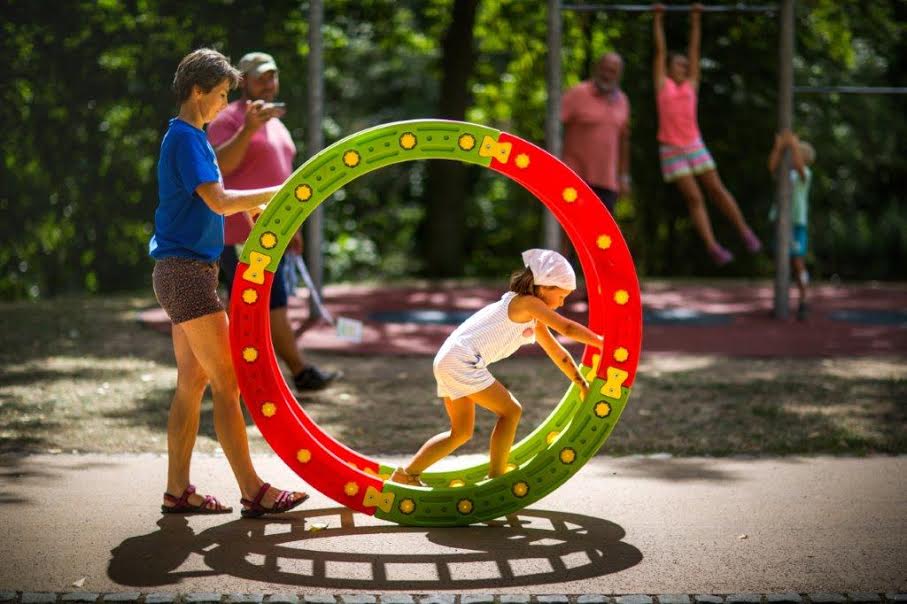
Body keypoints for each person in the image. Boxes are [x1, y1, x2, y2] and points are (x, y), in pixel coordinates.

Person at [149, 48, 308, 517]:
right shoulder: (184, 138)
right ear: (198, 91)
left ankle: (177, 491)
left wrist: (253, 206)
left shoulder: (191, 136)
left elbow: (212, 204)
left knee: (192, 383)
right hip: (186, 276)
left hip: (187, 271)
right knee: (229, 380)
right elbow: (218, 201)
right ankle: (253, 489)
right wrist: (279, 192)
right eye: (220, 95)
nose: (224, 104)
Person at [389, 249, 604, 486]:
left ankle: (406, 474)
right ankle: (496, 478)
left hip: (448, 359)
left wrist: (579, 381)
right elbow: (568, 330)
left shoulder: (528, 311)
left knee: (460, 433)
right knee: (511, 411)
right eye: (562, 296)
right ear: (544, 288)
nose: (562, 303)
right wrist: (605, 344)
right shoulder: (528, 303)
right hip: (462, 360)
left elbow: (557, 352)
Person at [208, 51, 340, 393]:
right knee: (263, 305)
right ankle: (288, 373)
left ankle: (283, 374)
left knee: (267, 304)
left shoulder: (276, 123)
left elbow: (280, 177)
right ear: (243, 82)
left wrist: (292, 228)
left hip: (274, 232)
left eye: (272, 76)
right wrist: (249, 129)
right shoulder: (229, 118)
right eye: (260, 77)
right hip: (240, 232)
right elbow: (218, 167)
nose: (268, 83)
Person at [652, 3, 762, 265]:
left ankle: (744, 231)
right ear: (668, 68)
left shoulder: (691, 85)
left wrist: (696, 20)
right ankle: (713, 247)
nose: (684, 66)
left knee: (717, 190)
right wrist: (657, 19)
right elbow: (660, 50)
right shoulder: (662, 85)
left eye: (685, 65)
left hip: (693, 143)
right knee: (695, 198)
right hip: (670, 147)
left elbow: (695, 50)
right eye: (678, 64)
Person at [561, 52, 632, 214]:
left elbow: (624, 140)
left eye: (613, 71)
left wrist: (624, 177)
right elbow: (554, 129)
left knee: (600, 237)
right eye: (605, 69)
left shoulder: (623, 101)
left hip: (607, 182)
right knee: (571, 232)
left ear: (619, 75)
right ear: (597, 69)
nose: (607, 75)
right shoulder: (577, 93)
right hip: (574, 177)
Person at [768, 129, 815, 321]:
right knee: (780, 262)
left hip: (796, 224)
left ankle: (804, 299)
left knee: (797, 262)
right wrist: (778, 149)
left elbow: (798, 164)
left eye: (796, 153)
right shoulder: (785, 174)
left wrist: (793, 144)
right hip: (781, 223)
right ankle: (781, 301)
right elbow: (771, 167)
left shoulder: (805, 174)